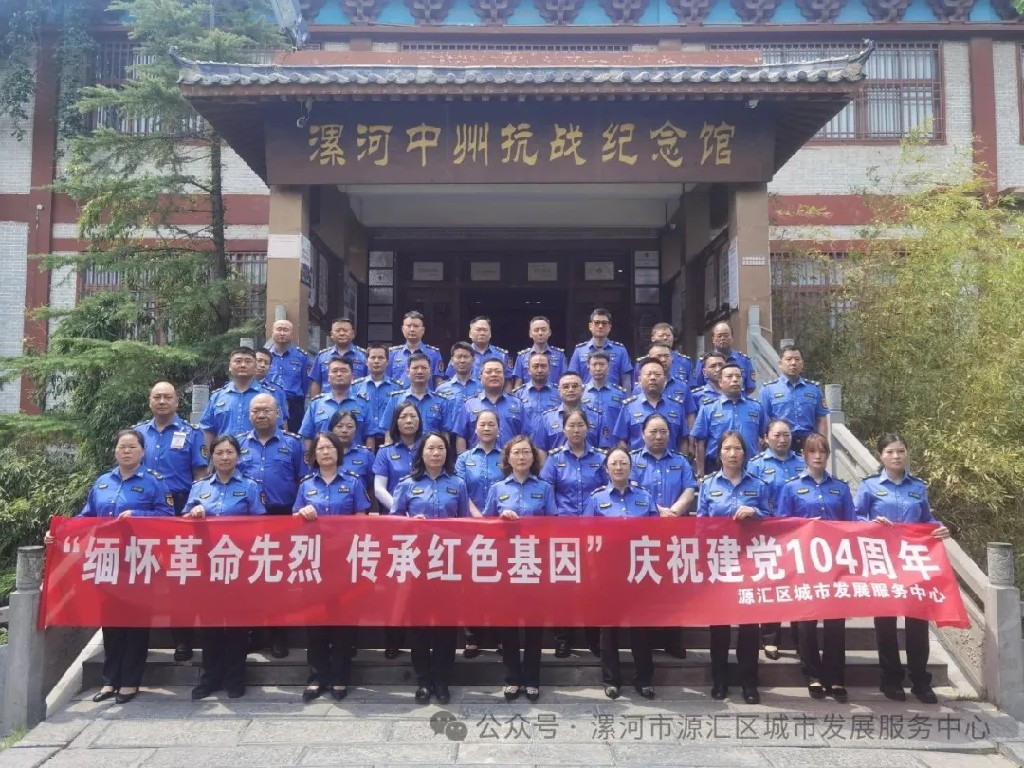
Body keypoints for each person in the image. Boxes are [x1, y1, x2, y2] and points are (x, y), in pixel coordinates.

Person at [44, 429, 174, 705]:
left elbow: (167, 517)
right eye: (121, 447)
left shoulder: (154, 482)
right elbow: (86, 516)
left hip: (139, 562)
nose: (126, 451)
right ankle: (110, 680)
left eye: (132, 447)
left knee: (135, 624)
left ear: (143, 452)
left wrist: (137, 515)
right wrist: (59, 532)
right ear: (114, 451)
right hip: (107, 561)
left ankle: (130, 681)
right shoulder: (103, 482)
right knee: (111, 623)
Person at [855, 432, 949, 705]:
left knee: (917, 623)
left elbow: (926, 518)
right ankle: (891, 680)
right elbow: (855, 517)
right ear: (880, 456)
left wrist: (939, 527)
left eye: (900, 451)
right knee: (885, 623)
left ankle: (920, 681)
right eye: (890, 452)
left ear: (907, 453)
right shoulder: (869, 486)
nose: (896, 456)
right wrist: (871, 523)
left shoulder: (918, 487)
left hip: (912, 562)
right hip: (882, 562)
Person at [182, 434, 267, 700]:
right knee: (210, 624)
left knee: (237, 625)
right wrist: (193, 514)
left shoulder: (250, 487)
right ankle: (209, 678)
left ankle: (235, 679)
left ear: (238, 456)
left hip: (238, 563)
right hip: (206, 564)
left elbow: (261, 524)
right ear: (212, 457)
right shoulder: (199, 487)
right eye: (219, 453)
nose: (225, 457)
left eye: (230, 452)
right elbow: (182, 521)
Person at [390, 432, 470, 704]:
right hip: (417, 563)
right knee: (420, 625)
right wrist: (410, 523)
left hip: (448, 563)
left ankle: (442, 679)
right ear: (421, 453)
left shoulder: (458, 484)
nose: (436, 453)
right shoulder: (407, 484)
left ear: (447, 453)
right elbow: (392, 522)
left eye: (441, 449)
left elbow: (466, 523)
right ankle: (423, 679)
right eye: (430, 448)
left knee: (446, 625)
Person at [133, 382, 208, 662]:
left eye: (168, 397)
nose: (162, 401)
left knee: (180, 575)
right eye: (157, 397)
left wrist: (195, 506)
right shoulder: (138, 433)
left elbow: (200, 475)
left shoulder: (191, 433)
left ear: (177, 402)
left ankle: (182, 640)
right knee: (143, 572)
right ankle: (138, 638)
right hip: (145, 509)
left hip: (181, 508)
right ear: (150, 401)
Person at [776, 433, 855, 702]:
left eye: (822, 451)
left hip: (834, 562)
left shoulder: (840, 489)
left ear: (828, 455)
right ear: (804, 455)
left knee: (835, 620)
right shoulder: (791, 487)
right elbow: (782, 525)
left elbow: (852, 524)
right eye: (812, 451)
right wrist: (806, 526)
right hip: (804, 562)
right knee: (806, 620)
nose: (818, 456)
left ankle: (836, 676)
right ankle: (813, 674)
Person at [294, 431, 371, 702]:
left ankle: (340, 676)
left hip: (344, 562)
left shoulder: (353, 482)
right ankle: (317, 677)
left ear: (338, 452)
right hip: (314, 562)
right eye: (320, 448)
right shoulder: (306, 485)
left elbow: (362, 521)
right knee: (315, 622)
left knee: (342, 622)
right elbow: (294, 520)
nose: (325, 452)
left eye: (330, 447)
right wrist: (301, 514)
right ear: (314, 455)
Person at [697, 430, 771, 705]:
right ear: (719, 453)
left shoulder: (759, 485)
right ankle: (719, 680)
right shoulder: (709, 485)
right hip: (719, 562)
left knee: (750, 627)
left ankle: (749, 682)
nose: (732, 453)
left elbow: (773, 520)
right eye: (727, 448)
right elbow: (700, 523)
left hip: (750, 561)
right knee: (719, 627)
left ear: (744, 453)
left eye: (737, 448)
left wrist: (755, 513)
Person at [483, 435, 557, 702]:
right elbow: (485, 526)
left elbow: (554, 524)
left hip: (534, 564)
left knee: (534, 624)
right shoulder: (497, 489)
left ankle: (533, 678)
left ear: (533, 458)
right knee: (508, 624)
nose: (522, 457)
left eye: (526, 452)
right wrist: (501, 520)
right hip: (506, 565)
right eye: (516, 452)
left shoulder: (545, 488)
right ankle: (513, 677)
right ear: (508, 458)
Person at [583, 448, 657, 700]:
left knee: (641, 628)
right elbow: (587, 536)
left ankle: (644, 679)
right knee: (609, 629)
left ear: (631, 467)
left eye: (623, 463)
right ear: (606, 469)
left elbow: (657, 534)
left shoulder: (645, 498)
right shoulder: (597, 499)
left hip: (639, 570)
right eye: (613, 463)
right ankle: (611, 679)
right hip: (607, 573)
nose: (618, 467)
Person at [237, 393, 307, 659]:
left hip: (282, 516)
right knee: (251, 577)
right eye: (256, 410)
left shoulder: (293, 444)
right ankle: (255, 634)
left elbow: (303, 480)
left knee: (279, 579)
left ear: (278, 413)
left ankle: (279, 635)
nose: (261, 415)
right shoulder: (238, 444)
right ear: (249, 415)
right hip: (248, 518)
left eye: (266, 410)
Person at [539, 408, 607, 659]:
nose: (576, 430)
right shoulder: (555, 459)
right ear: (564, 429)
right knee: (563, 586)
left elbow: (607, 490)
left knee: (593, 585)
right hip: (563, 531)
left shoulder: (600, 458)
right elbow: (547, 492)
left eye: (580, 425)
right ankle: (563, 638)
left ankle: (594, 638)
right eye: (571, 426)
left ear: (588, 428)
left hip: (594, 531)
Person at [747, 418, 806, 661]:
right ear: (765, 438)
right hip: (768, 532)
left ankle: (801, 637)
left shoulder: (802, 462)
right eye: (777, 435)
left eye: (786, 435)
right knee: (772, 584)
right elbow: (750, 495)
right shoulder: (756, 464)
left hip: (798, 533)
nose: (782, 440)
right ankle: (770, 638)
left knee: (799, 584)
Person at [372, 402, 422, 660]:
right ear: (396, 422)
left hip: (424, 525)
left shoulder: (429, 446)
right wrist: (400, 511)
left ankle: (418, 638)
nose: (409, 421)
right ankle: (393, 638)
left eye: (413, 416)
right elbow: (379, 488)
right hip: (395, 525)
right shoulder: (386, 452)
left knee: (421, 583)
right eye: (404, 417)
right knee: (395, 582)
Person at [454, 409, 503, 659]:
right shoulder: (464, 459)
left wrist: (493, 519)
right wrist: (478, 517)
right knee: (470, 582)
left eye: (491, 424)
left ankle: (501, 636)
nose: (486, 428)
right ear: (475, 429)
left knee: (500, 582)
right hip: (471, 527)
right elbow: (460, 489)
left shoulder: (507, 456)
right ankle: (472, 636)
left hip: (501, 527)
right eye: (482, 424)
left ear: (498, 429)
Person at [692, 362, 768, 479]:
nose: (735, 380)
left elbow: (767, 437)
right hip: (716, 467)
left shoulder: (756, 407)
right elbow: (700, 442)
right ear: (720, 382)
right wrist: (700, 472)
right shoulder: (709, 408)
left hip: (751, 467)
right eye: (729, 376)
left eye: (738, 376)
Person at [199, 347, 283, 450]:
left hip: (257, 455)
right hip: (225, 455)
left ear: (255, 367)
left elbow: (278, 428)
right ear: (230, 366)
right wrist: (208, 458)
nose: (243, 365)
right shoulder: (217, 397)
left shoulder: (268, 395)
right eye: (238, 361)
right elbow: (208, 430)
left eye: (248, 361)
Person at [758, 345, 829, 452]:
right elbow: (763, 420)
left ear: (802, 363)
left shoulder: (814, 389)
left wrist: (822, 444)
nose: (793, 363)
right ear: (780, 363)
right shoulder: (768, 389)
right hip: (781, 442)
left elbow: (821, 419)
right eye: (788, 359)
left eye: (797, 359)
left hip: (809, 442)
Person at [612, 357, 689, 453]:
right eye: (648, 374)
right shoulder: (629, 406)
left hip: (671, 461)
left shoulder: (677, 406)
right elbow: (621, 441)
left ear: (665, 380)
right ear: (639, 380)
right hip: (638, 462)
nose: (652, 378)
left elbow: (683, 440)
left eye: (657, 374)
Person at [299, 358, 373, 452]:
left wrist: (368, 458)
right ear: (328, 377)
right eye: (335, 371)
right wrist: (310, 459)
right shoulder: (316, 404)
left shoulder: (363, 403)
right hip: (324, 457)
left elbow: (370, 436)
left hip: (355, 459)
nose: (339, 374)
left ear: (352, 377)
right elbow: (307, 436)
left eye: (343, 371)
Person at [452, 358, 525, 451]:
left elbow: (526, 435)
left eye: (498, 372)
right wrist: (462, 458)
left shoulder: (517, 404)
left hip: (511, 458)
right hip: (478, 459)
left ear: (504, 376)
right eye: (489, 372)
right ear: (481, 377)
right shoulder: (470, 404)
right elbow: (461, 436)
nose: (493, 375)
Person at [530, 372, 603, 460]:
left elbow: (604, 449)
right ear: (559, 391)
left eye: (575, 386)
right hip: (556, 468)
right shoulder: (547, 418)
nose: (570, 390)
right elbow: (541, 451)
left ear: (583, 389)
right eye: (565, 387)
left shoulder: (597, 417)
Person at [378, 353, 452, 439]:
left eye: (424, 368)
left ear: (430, 372)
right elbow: (389, 431)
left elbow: (445, 433)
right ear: (408, 372)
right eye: (415, 368)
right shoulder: (396, 399)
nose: (419, 371)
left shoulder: (441, 401)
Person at [351, 343, 401, 448]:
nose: (376, 361)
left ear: (387, 362)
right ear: (366, 361)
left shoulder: (397, 388)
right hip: (363, 440)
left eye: (381, 358)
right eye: (373, 357)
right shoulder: (355, 387)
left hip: (390, 440)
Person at [568, 308, 632, 389]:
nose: (600, 326)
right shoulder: (579, 351)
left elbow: (626, 379)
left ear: (609, 327)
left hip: (614, 395)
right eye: (596, 323)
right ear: (590, 326)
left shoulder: (620, 350)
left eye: (604, 323)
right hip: (586, 395)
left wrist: (627, 396)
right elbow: (573, 378)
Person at [266, 318, 312, 432]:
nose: (282, 333)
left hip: (294, 405)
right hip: (269, 402)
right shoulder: (265, 356)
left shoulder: (301, 357)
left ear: (292, 334)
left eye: (286, 330)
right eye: (279, 329)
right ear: (272, 332)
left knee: (294, 436)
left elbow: (306, 383)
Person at [308, 317, 368, 398]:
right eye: (338, 331)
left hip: (356, 402)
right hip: (327, 403)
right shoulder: (322, 357)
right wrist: (315, 403)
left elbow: (370, 383)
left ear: (353, 334)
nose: (341, 333)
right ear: (331, 334)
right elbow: (316, 382)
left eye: (345, 330)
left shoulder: (364, 356)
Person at [693, 322, 756, 394]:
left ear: (732, 338)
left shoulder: (744, 360)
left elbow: (750, 387)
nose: (722, 338)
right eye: (719, 336)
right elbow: (697, 385)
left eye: (726, 335)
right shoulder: (703, 361)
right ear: (713, 339)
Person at [387, 310, 445, 388]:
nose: (412, 329)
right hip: (399, 395)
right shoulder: (392, 354)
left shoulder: (434, 353)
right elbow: (386, 380)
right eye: (408, 326)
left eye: (416, 326)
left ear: (423, 330)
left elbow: (438, 382)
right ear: (403, 329)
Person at [328, 409, 375, 501]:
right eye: (339, 426)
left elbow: (372, 485)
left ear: (356, 430)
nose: (344, 430)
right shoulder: (324, 454)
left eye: (349, 427)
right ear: (331, 429)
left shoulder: (366, 455)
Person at [446, 316, 512, 380]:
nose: (482, 333)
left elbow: (508, 380)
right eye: (478, 330)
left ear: (490, 334)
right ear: (470, 334)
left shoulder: (501, 355)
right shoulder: (459, 355)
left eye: (485, 330)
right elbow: (450, 379)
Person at [582, 350, 627, 441]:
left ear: (609, 367)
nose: (598, 368)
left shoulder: (620, 393)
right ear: (588, 367)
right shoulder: (581, 392)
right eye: (594, 365)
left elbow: (625, 420)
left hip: (613, 444)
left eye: (602, 364)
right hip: (587, 443)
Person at [512, 351, 560, 435]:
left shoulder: (559, 392)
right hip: (526, 441)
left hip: (553, 440)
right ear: (528, 370)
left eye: (543, 366)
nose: (540, 370)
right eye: (535, 366)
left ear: (549, 370)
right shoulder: (518, 395)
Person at [512, 316, 566, 389]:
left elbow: (565, 381)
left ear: (549, 332)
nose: (540, 333)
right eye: (536, 330)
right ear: (530, 333)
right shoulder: (522, 357)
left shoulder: (560, 356)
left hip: (554, 395)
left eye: (543, 330)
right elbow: (518, 385)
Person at [633, 322, 694, 386]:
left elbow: (692, 387)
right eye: (661, 335)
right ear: (653, 338)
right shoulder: (642, 363)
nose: (665, 338)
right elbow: (637, 387)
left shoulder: (685, 361)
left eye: (668, 335)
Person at [436, 341, 483, 411]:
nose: (462, 361)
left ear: (473, 360)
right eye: (459, 357)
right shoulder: (441, 389)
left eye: (466, 357)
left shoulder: (482, 387)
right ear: (452, 361)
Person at [253, 348, 290, 426]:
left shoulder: (277, 391)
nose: (262, 365)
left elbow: (283, 421)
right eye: (259, 361)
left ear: (270, 367)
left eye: (266, 363)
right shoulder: (241, 387)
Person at [691, 351, 727, 415]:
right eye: (713, 366)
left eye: (721, 365)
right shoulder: (695, 396)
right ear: (704, 372)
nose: (718, 369)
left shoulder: (736, 393)